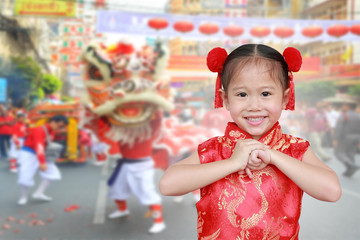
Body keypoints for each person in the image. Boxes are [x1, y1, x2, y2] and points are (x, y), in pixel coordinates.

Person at [159, 44, 341, 239]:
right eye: (242, 95)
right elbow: (168, 185)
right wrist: (232, 163)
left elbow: (331, 191)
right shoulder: (213, 150)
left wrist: (273, 156)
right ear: (226, 99)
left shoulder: (295, 149)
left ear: (284, 98)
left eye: (265, 94)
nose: (254, 106)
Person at [17, 114, 69, 205]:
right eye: (60, 126)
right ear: (53, 122)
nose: (60, 128)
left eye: (63, 127)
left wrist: (48, 158)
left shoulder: (51, 131)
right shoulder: (39, 130)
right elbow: (39, 146)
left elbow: (44, 146)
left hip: (41, 153)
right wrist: (42, 162)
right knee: (25, 177)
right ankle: (23, 197)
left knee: (53, 174)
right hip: (28, 154)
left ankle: (39, 193)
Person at [333, 102, 360, 177]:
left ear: (348, 106)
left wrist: (336, 138)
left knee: (339, 152)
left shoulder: (344, 115)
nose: (343, 106)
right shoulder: (358, 116)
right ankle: (349, 170)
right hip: (356, 137)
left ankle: (351, 166)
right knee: (351, 153)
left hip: (345, 137)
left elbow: (339, 127)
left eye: (344, 105)